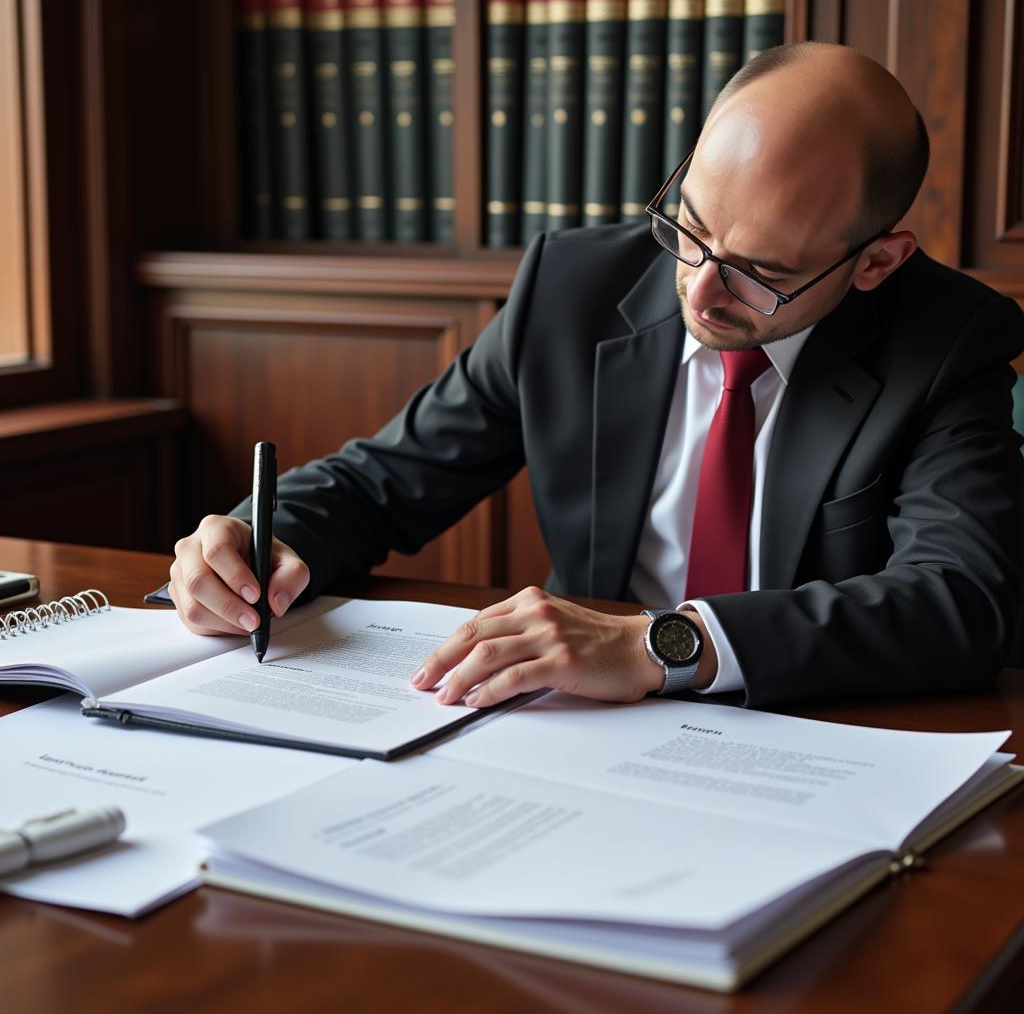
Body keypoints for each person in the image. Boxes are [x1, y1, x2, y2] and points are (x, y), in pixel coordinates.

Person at [169, 42, 1024, 709]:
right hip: (580, 730)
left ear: (877, 261)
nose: (698, 287)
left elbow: (961, 602)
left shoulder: (946, 343)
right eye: (689, 228)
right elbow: (384, 480)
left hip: (813, 733)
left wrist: (662, 644)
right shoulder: (574, 290)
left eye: (759, 271)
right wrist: (255, 542)